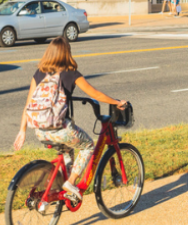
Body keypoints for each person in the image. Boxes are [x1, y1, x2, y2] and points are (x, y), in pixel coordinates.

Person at [12, 37, 127, 203]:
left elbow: (28, 104)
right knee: (87, 146)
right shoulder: (70, 73)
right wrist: (117, 102)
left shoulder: (39, 73)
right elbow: (94, 93)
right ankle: (71, 183)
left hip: (40, 131)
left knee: (68, 149)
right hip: (60, 130)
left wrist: (22, 131)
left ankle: (63, 187)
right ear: (67, 53)